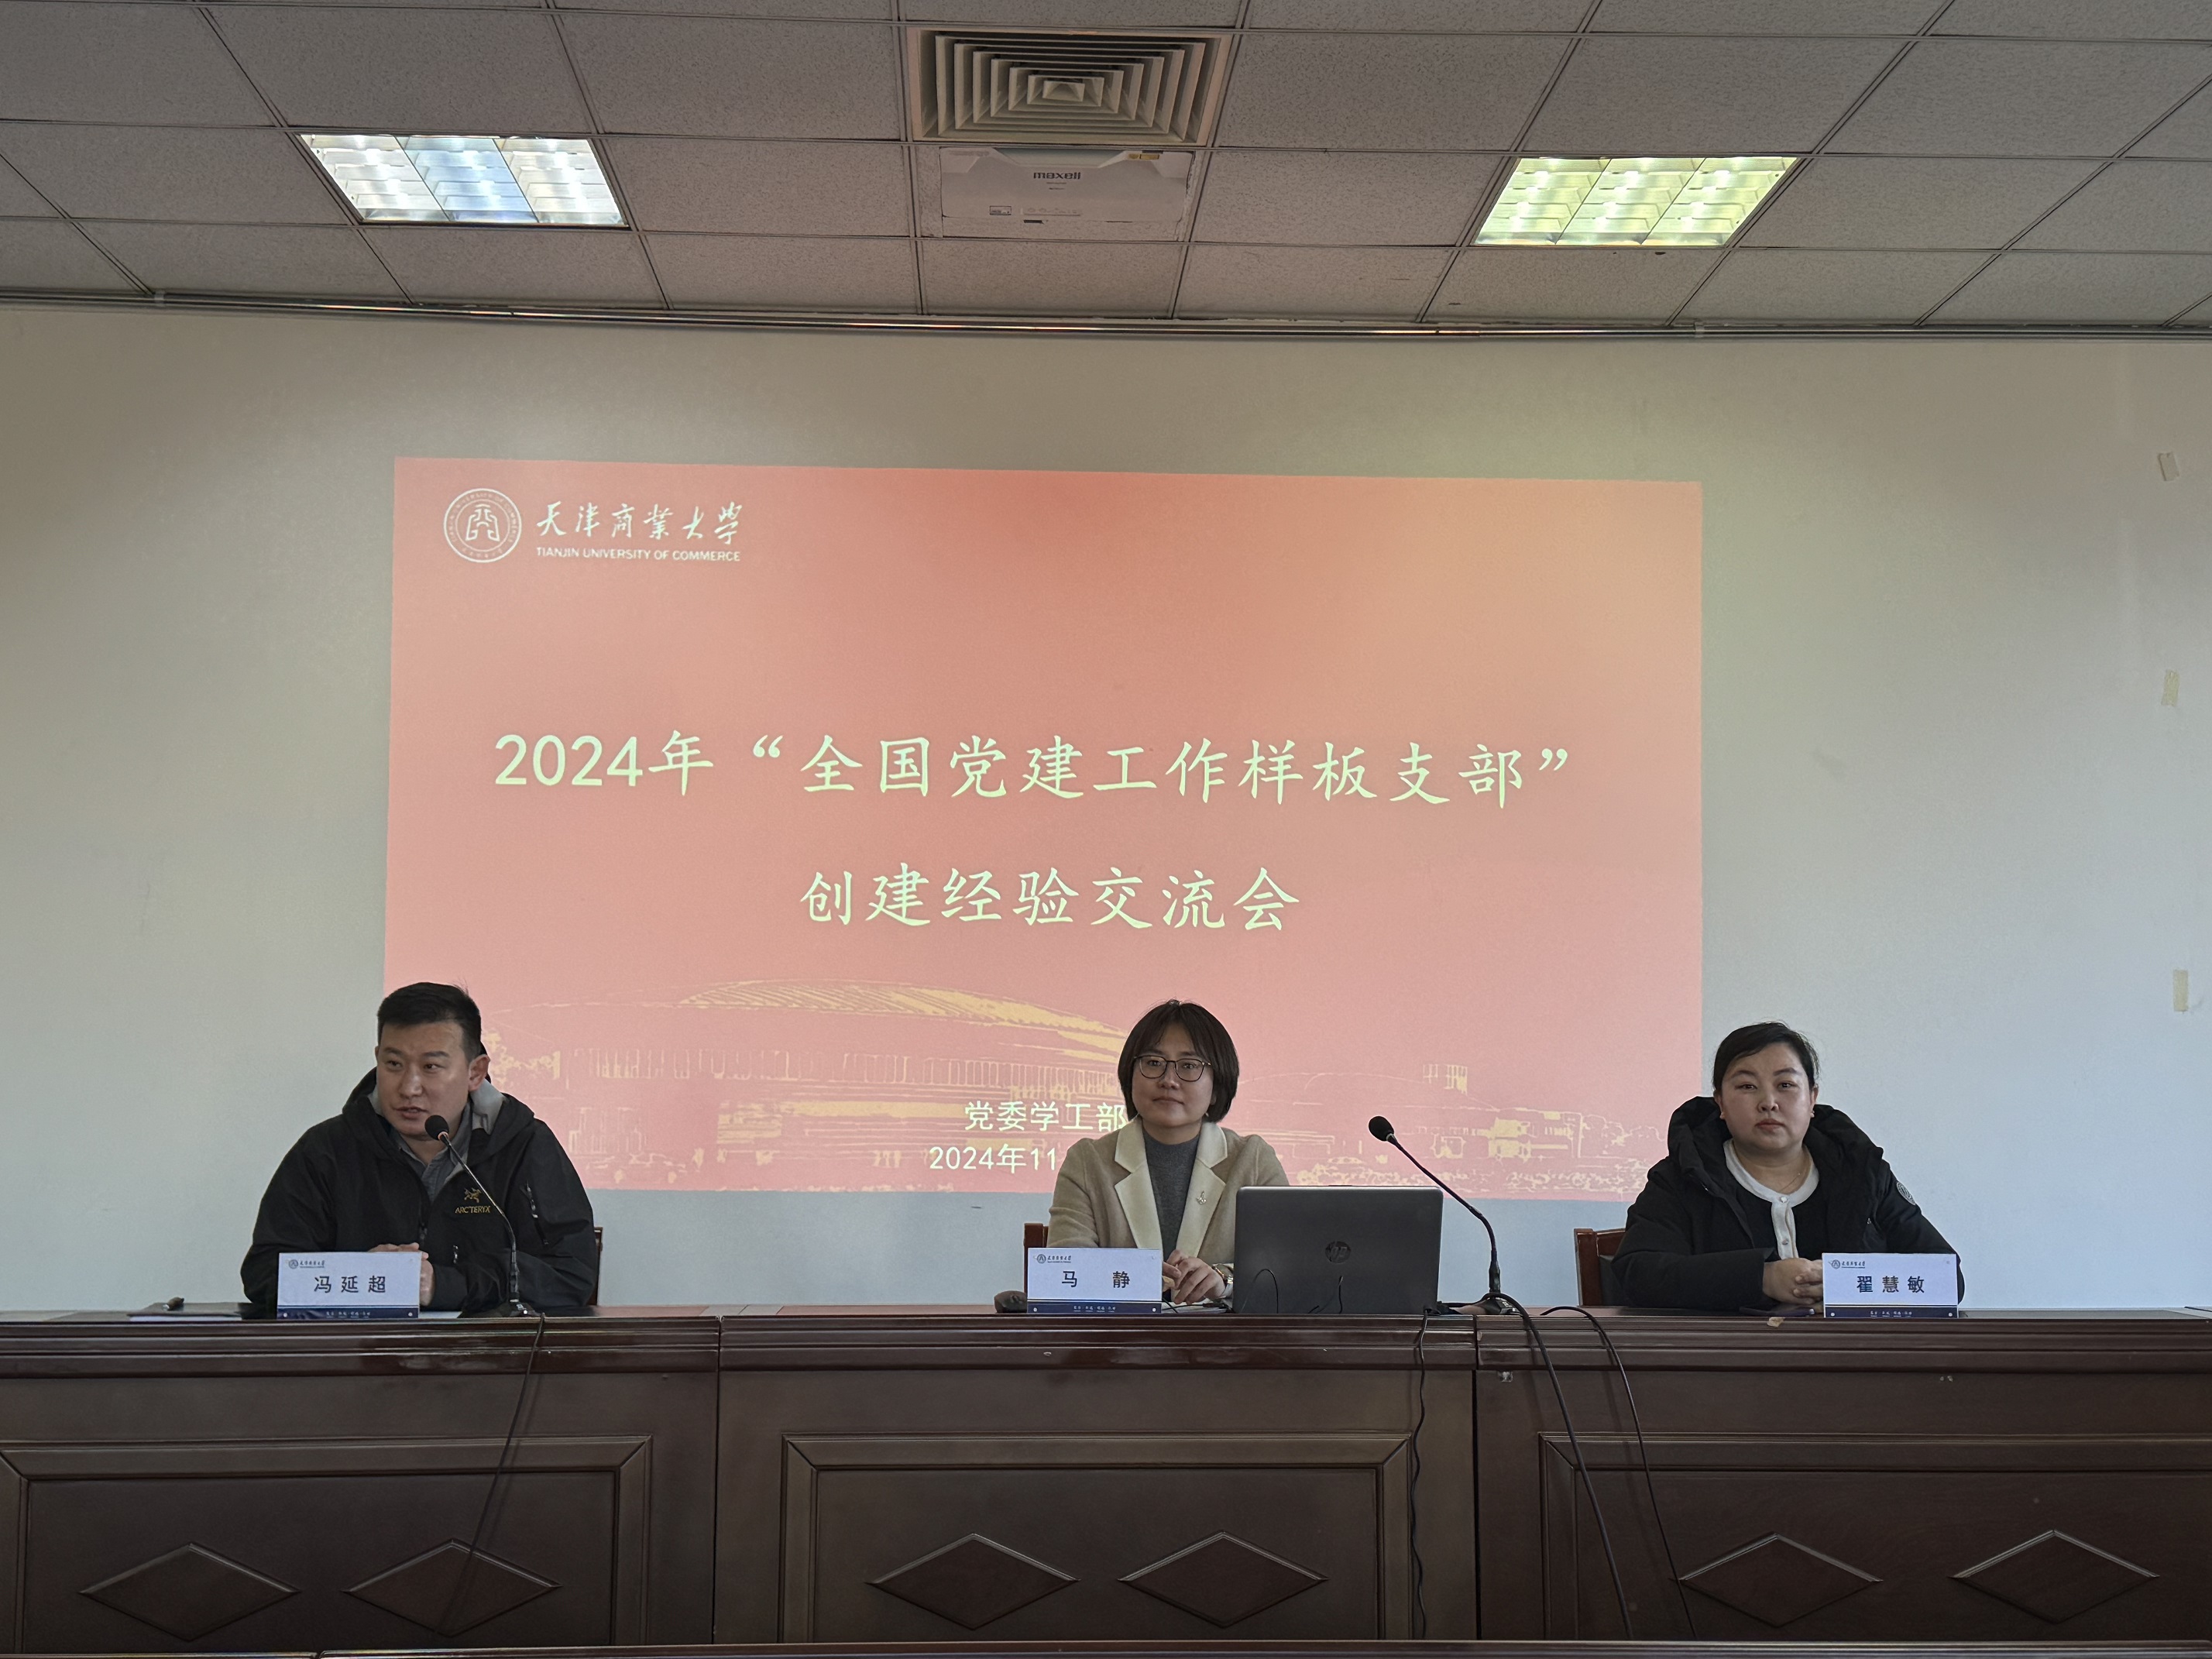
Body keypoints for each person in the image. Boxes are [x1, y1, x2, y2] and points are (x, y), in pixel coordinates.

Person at [242, 982, 597, 1313]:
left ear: (475, 1072)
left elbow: (572, 1274)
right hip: (362, 1354)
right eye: (393, 1064)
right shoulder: (326, 1152)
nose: (409, 1087)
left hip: (487, 1354)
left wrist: (444, 1285)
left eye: (431, 1067)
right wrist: (360, 1274)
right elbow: (265, 1275)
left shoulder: (524, 1145)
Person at [1612, 1021, 1957, 1311]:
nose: (1768, 1103)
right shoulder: (1683, 1176)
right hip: (1728, 1364)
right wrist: (1762, 1278)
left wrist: (1845, 1284)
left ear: (1812, 1099)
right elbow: (1638, 1274)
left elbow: (1946, 1277)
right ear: (1720, 1103)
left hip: (1854, 1361)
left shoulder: (1863, 1173)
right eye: (1747, 1086)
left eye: (1786, 1085)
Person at [1047, 998, 1287, 1304]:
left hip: (1224, 1334)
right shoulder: (1088, 1162)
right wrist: (1137, 1277)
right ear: (1130, 1077)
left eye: (1189, 1066)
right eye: (1153, 1063)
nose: (1168, 1080)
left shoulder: (1252, 1161)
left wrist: (1225, 1280)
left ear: (1216, 1088)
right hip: (1121, 1333)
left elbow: (1287, 1267)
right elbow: (1066, 1269)